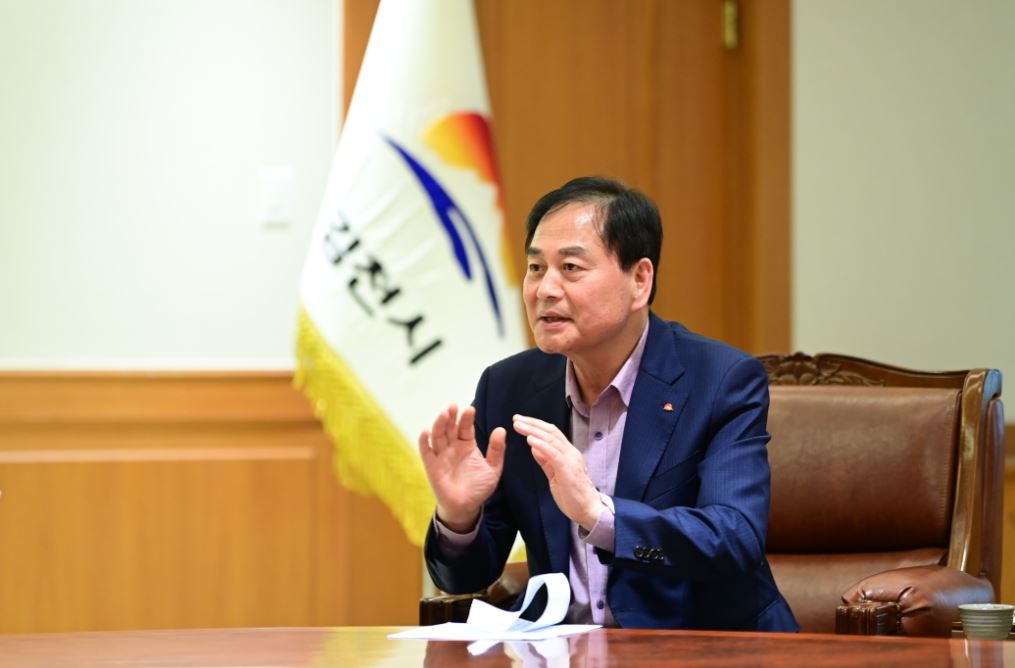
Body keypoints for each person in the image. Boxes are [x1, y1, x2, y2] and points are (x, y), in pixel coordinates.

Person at [418, 176, 798, 631]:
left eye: (571, 267)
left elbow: (734, 539)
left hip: (704, 650)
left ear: (639, 280)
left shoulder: (720, 380)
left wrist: (599, 515)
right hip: (566, 651)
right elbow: (466, 578)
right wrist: (459, 518)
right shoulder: (509, 388)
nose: (544, 289)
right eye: (536, 267)